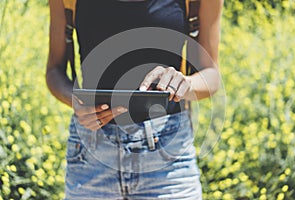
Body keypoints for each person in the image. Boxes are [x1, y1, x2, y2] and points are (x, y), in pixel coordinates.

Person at [46, 0, 223, 199]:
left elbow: (212, 75)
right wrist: (75, 100)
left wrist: (186, 83)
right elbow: (54, 70)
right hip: (90, 152)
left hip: (168, 155)